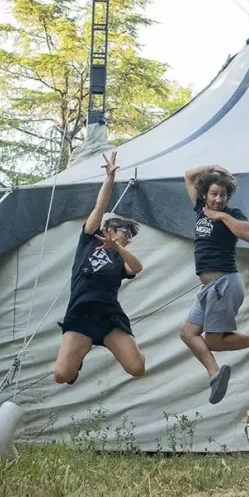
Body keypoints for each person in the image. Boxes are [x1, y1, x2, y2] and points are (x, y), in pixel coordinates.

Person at [180, 164, 249, 405]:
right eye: (214, 194)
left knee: (214, 341)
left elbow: (248, 235)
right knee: (188, 333)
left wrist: (222, 216)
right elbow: (188, 176)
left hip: (223, 283)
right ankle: (216, 374)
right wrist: (213, 168)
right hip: (207, 288)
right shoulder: (200, 209)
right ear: (205, 194)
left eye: (223, 195)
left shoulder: (232, 214)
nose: (218, 199)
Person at [55, 152, 146, 385]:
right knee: (62, 376)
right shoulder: (89, 241)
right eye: (123, 234)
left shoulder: (120, 258)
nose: (126, 240)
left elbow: (137, 267)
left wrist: (118, 248)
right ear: (108, 229)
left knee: (137, 368)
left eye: (129, 239)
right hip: (81, 311)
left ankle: (120, 345)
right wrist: (109, 178)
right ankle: (78, 356)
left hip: (109, 315)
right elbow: (100, 206)